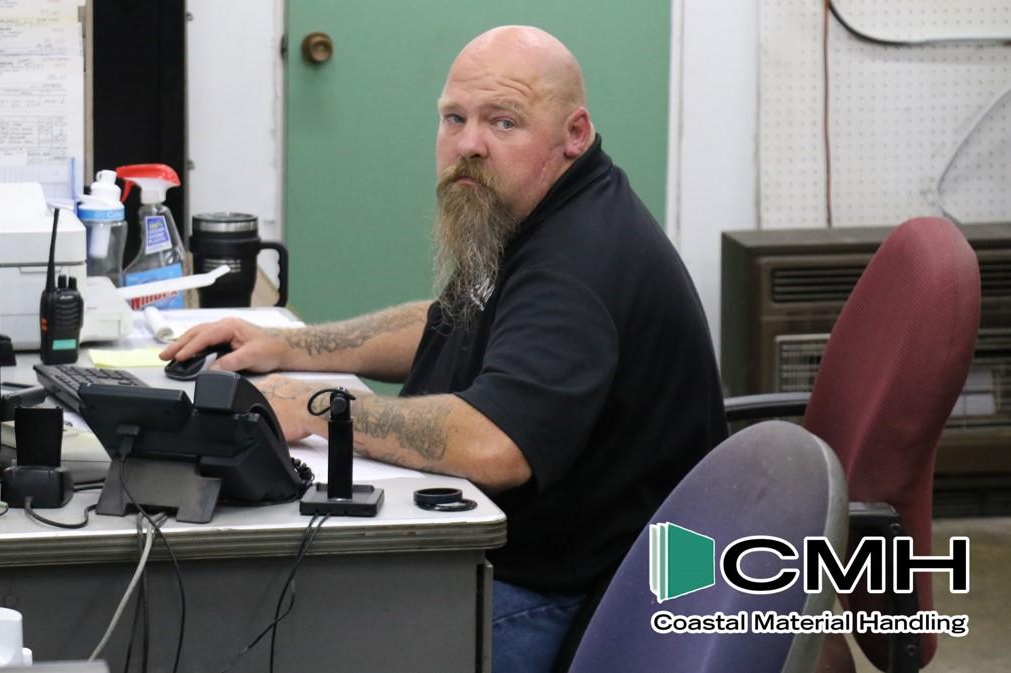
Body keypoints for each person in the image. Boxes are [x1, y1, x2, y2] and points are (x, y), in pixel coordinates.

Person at [162, 25, 726, 673]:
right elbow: (452, 320)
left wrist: (315, 407)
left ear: (574, 133)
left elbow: (494, 445)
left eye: (504, 122)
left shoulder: (576, 263)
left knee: (297, 633)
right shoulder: (535, 211)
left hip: (584, 599)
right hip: (546, 563)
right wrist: (288, 345)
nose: (468, 145)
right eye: (454, 118)